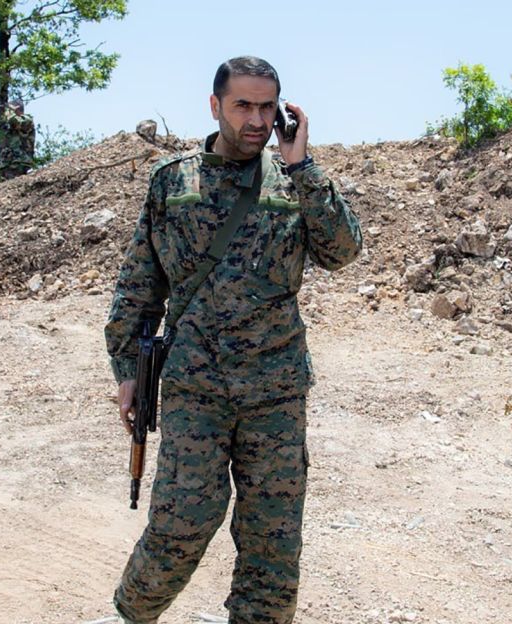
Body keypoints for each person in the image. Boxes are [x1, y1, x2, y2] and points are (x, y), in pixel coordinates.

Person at [104, 56, 362, 624]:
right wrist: (128, 371)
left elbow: (342, 252)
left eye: (268, 107)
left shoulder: (295, 182)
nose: (257, 119)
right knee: (180, 524)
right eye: (243, 105)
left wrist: (303, 168)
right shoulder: (172, 182)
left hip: (275, 391)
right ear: (215, 104)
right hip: (196, 387)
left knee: (273, 537)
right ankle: (132, 614)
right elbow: (139, 285)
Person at [0, 99, 35, 180]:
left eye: (10, 108)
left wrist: (10, 112)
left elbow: (15, 121)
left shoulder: (27, 120)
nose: (7, 111)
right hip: (8, 164)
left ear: (17, 108)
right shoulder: (9, 124)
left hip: (20, 162)